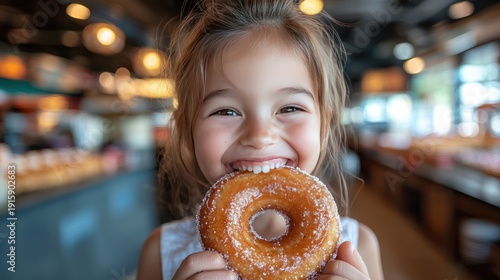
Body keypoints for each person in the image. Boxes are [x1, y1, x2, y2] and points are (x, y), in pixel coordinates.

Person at [137, 0, 384, 279]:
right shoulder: (161, 254)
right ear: (185, 130)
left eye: (290, 108)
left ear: (323, 125)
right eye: (226, 111)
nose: (260, 136)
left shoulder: (358, 248)